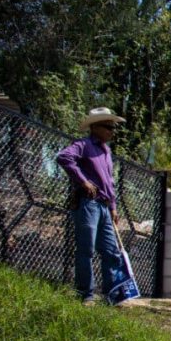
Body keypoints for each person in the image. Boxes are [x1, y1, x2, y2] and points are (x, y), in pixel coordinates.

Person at [56, 107, 125, 303]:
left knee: (111, 251)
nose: (112, 131)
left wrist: (113, 207)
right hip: (89, 204)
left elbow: (109, 182)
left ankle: (112, 296)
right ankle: (86, 295)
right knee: (86, 249)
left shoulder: (106, 151)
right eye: (108, 127)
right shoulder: (83, 145)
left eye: (113, 127)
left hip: (104, 206)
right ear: (95, 127)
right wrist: (83, 181)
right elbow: (64, 157)